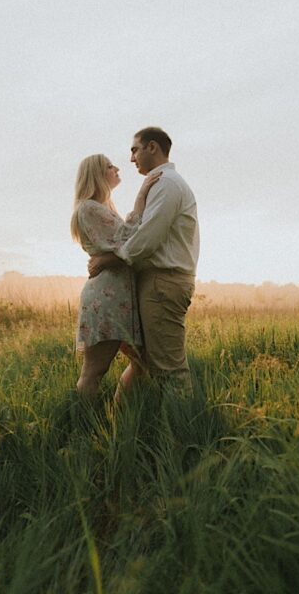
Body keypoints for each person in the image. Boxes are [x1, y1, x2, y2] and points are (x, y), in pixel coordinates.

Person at [88, 127, 199, 393]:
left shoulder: (167, 184)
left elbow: (148, 238)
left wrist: (109, 259)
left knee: (169, 370)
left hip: (163, 282)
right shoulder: (161, 183)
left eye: (134, 149)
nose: (131, 158)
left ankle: (181, 432)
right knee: (148, 363)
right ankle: (129, 420)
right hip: (158, 282)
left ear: (152, 147)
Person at [71, 154, 159, 399]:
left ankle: (117, 416)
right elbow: (128, 240)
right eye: (110, 166)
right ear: (97, 175)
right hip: (106, 300)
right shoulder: (89, 208)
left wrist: (108, 258)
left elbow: (125, 246)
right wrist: (140, 200)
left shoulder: (103, 207)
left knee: (143, 364)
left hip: (119, 299)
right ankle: (82, 428)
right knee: (94, 371)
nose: (117, 168)